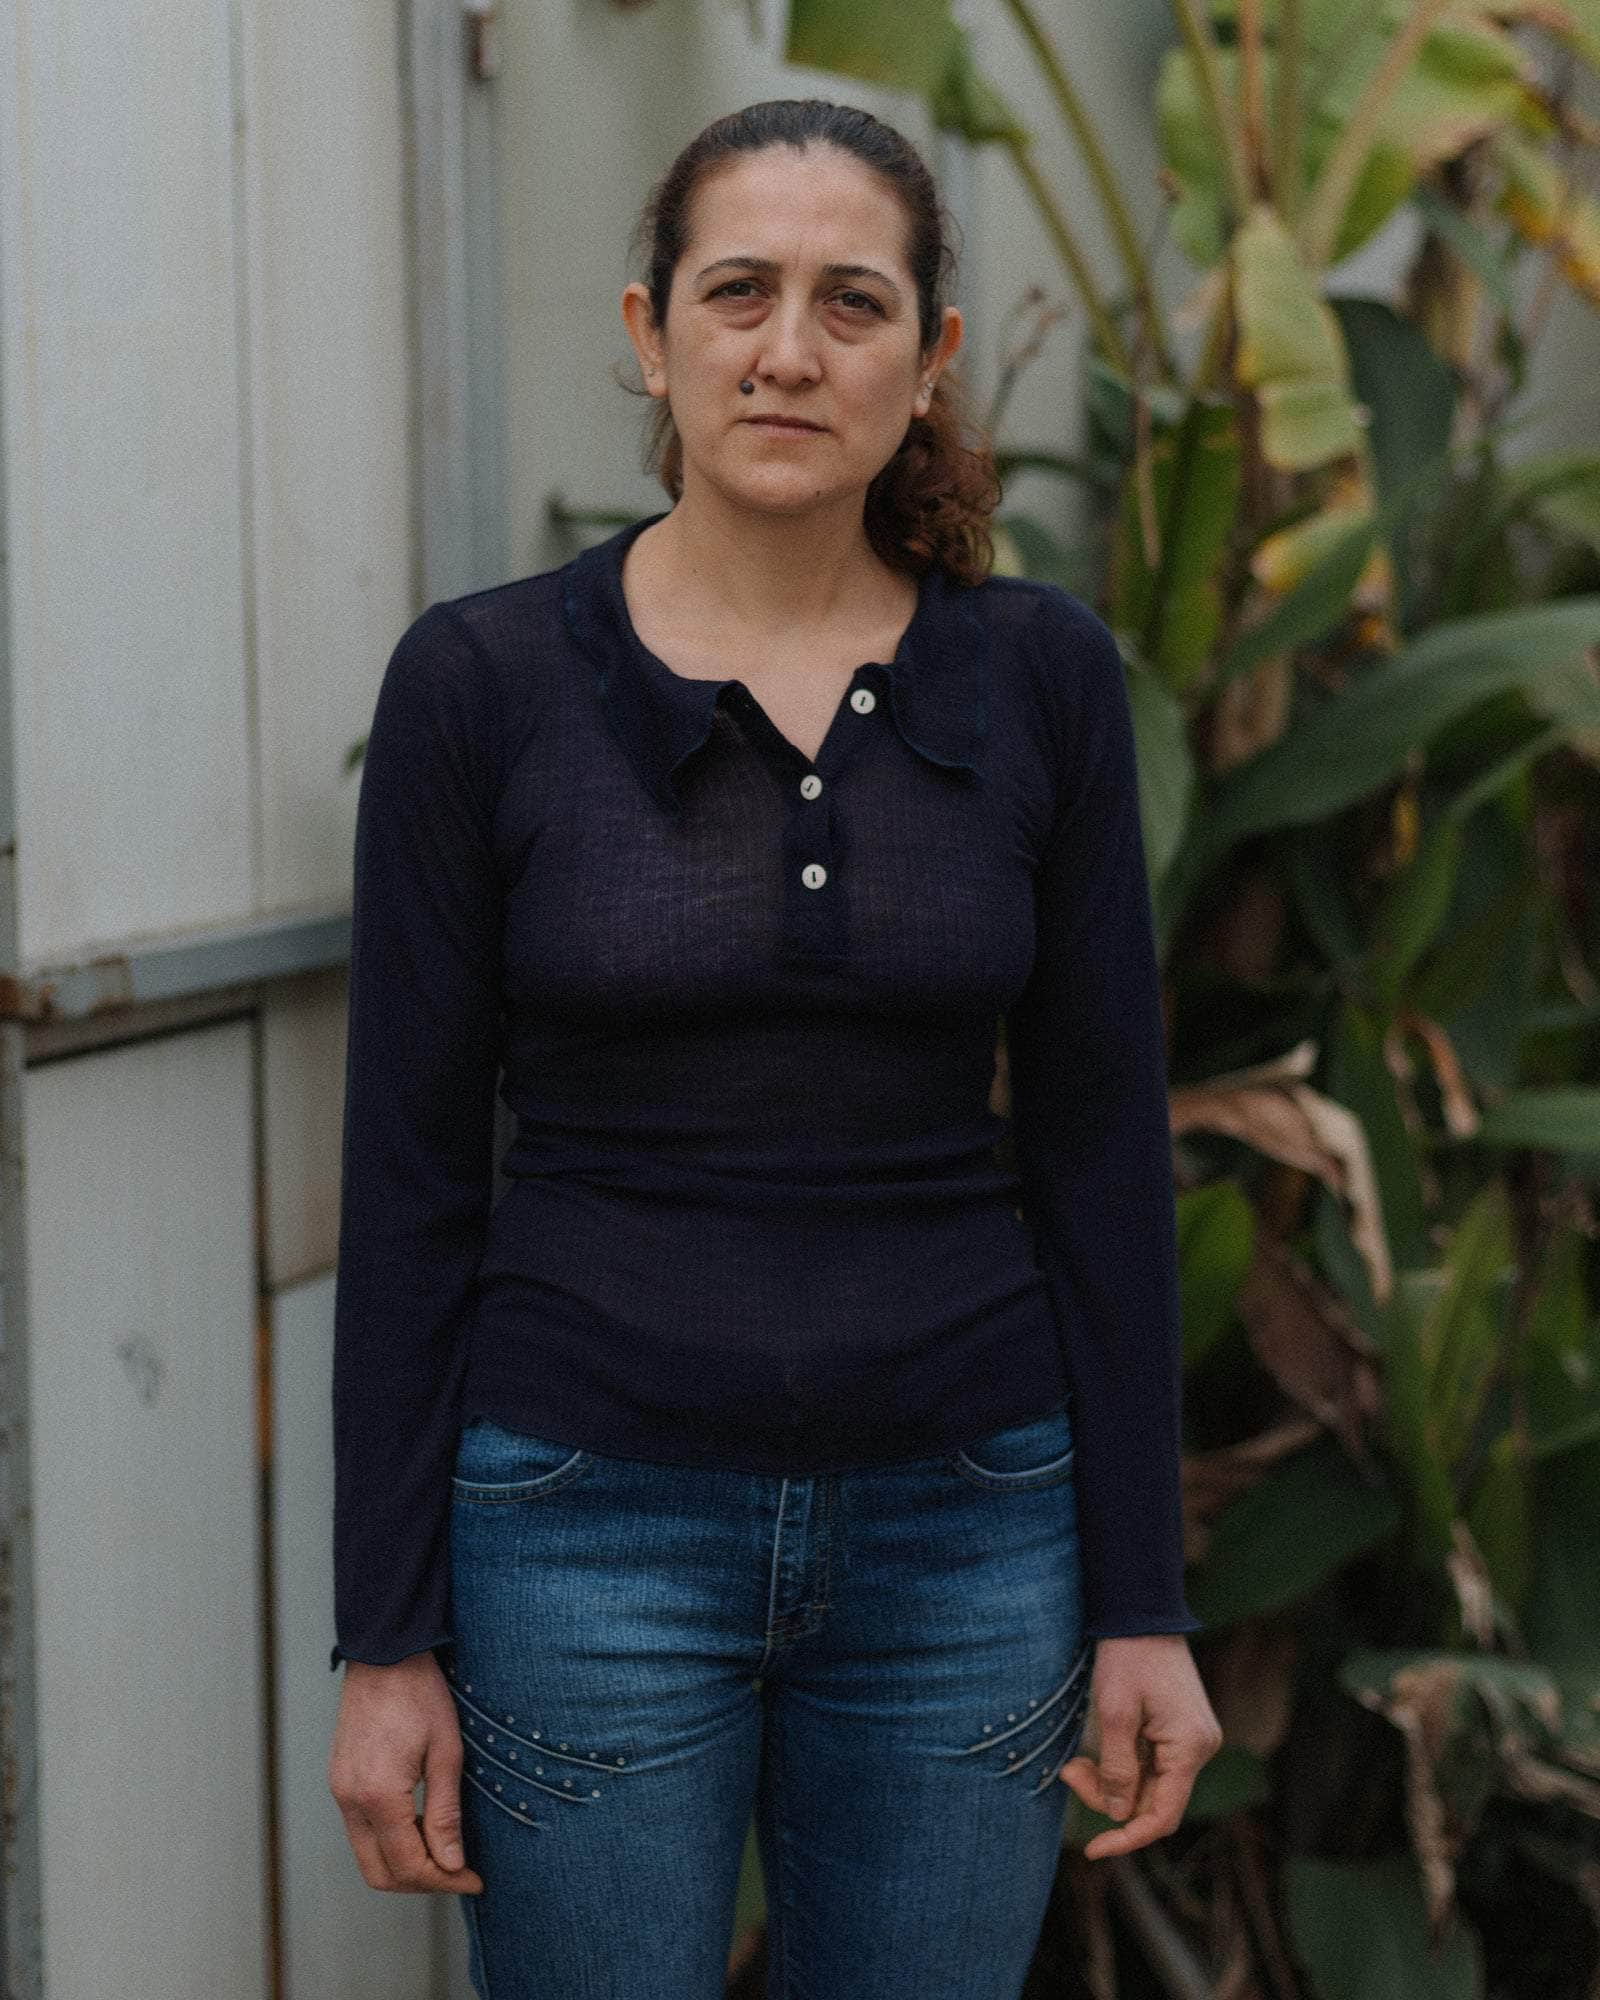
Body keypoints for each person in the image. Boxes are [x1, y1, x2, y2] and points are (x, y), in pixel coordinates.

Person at [327, 95, 1221, 2000]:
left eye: (852, 302)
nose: (790, 351)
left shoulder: (1044, 677)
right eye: (738, 292)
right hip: (581, 1531)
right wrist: (383, 1641)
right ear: (651, 334)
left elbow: (1100, 1155)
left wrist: (1141, 1603)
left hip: (973, 1539)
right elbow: (406, 1186)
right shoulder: (483, 685)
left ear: (932, 356)